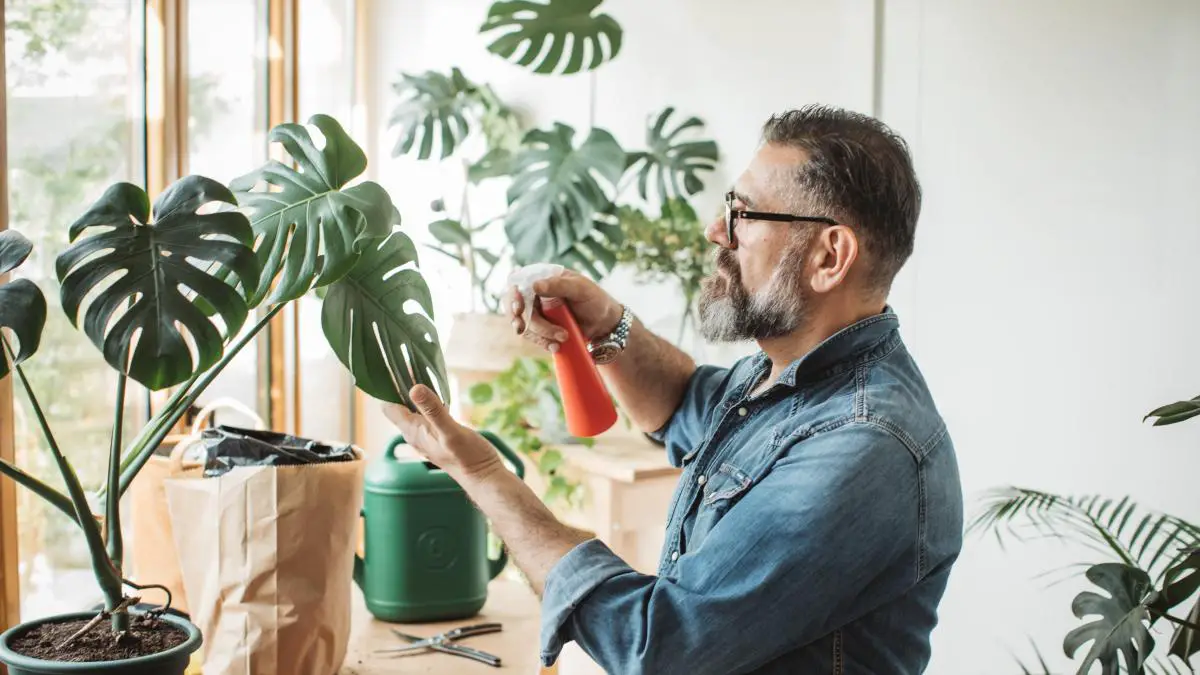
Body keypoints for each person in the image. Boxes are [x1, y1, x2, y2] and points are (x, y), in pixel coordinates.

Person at [384, 104, 963, 675]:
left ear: (829, 255)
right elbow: (685, 402)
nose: (717, 231)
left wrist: (482, 474)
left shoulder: (861, 445)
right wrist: (607, 325)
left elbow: (656, 644)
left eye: (743, 213)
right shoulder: (789, 379)